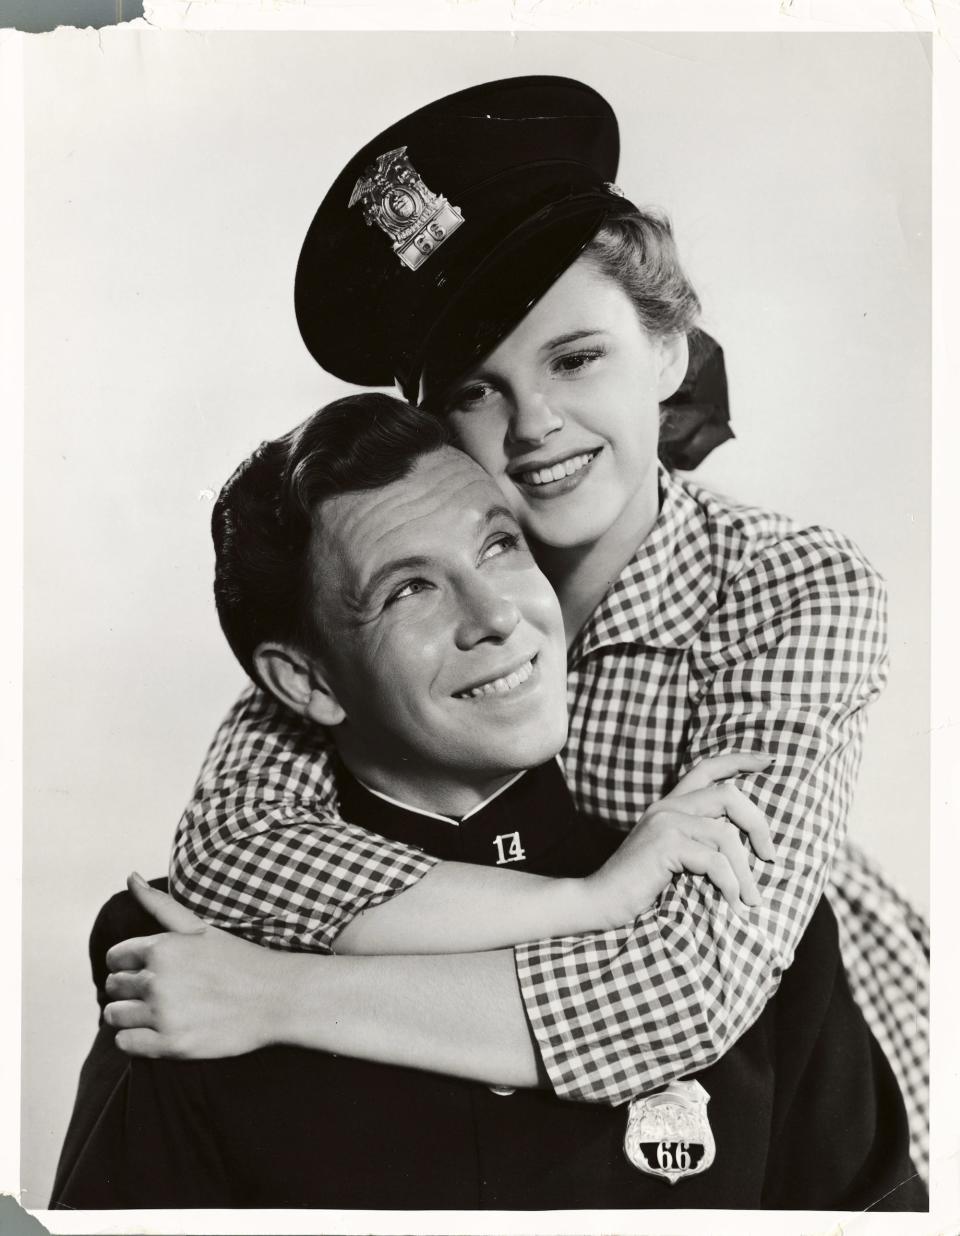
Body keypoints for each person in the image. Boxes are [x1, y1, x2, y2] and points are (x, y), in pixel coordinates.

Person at [107, 76, 927, 1180]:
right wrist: (586, 900)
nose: (534, 426)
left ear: (672, 350)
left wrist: (277, 996)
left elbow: (690, 988)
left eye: (576, 358)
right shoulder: (411, 592)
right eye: (476, 392)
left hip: (800, 1059)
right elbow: (231, 861)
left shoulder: (788, 589)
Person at [53, 394, 920, 1210]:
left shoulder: (743, 907)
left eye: (499, 546)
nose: (497, 617)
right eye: (408, 590)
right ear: (306, 681)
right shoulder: (187, 967)